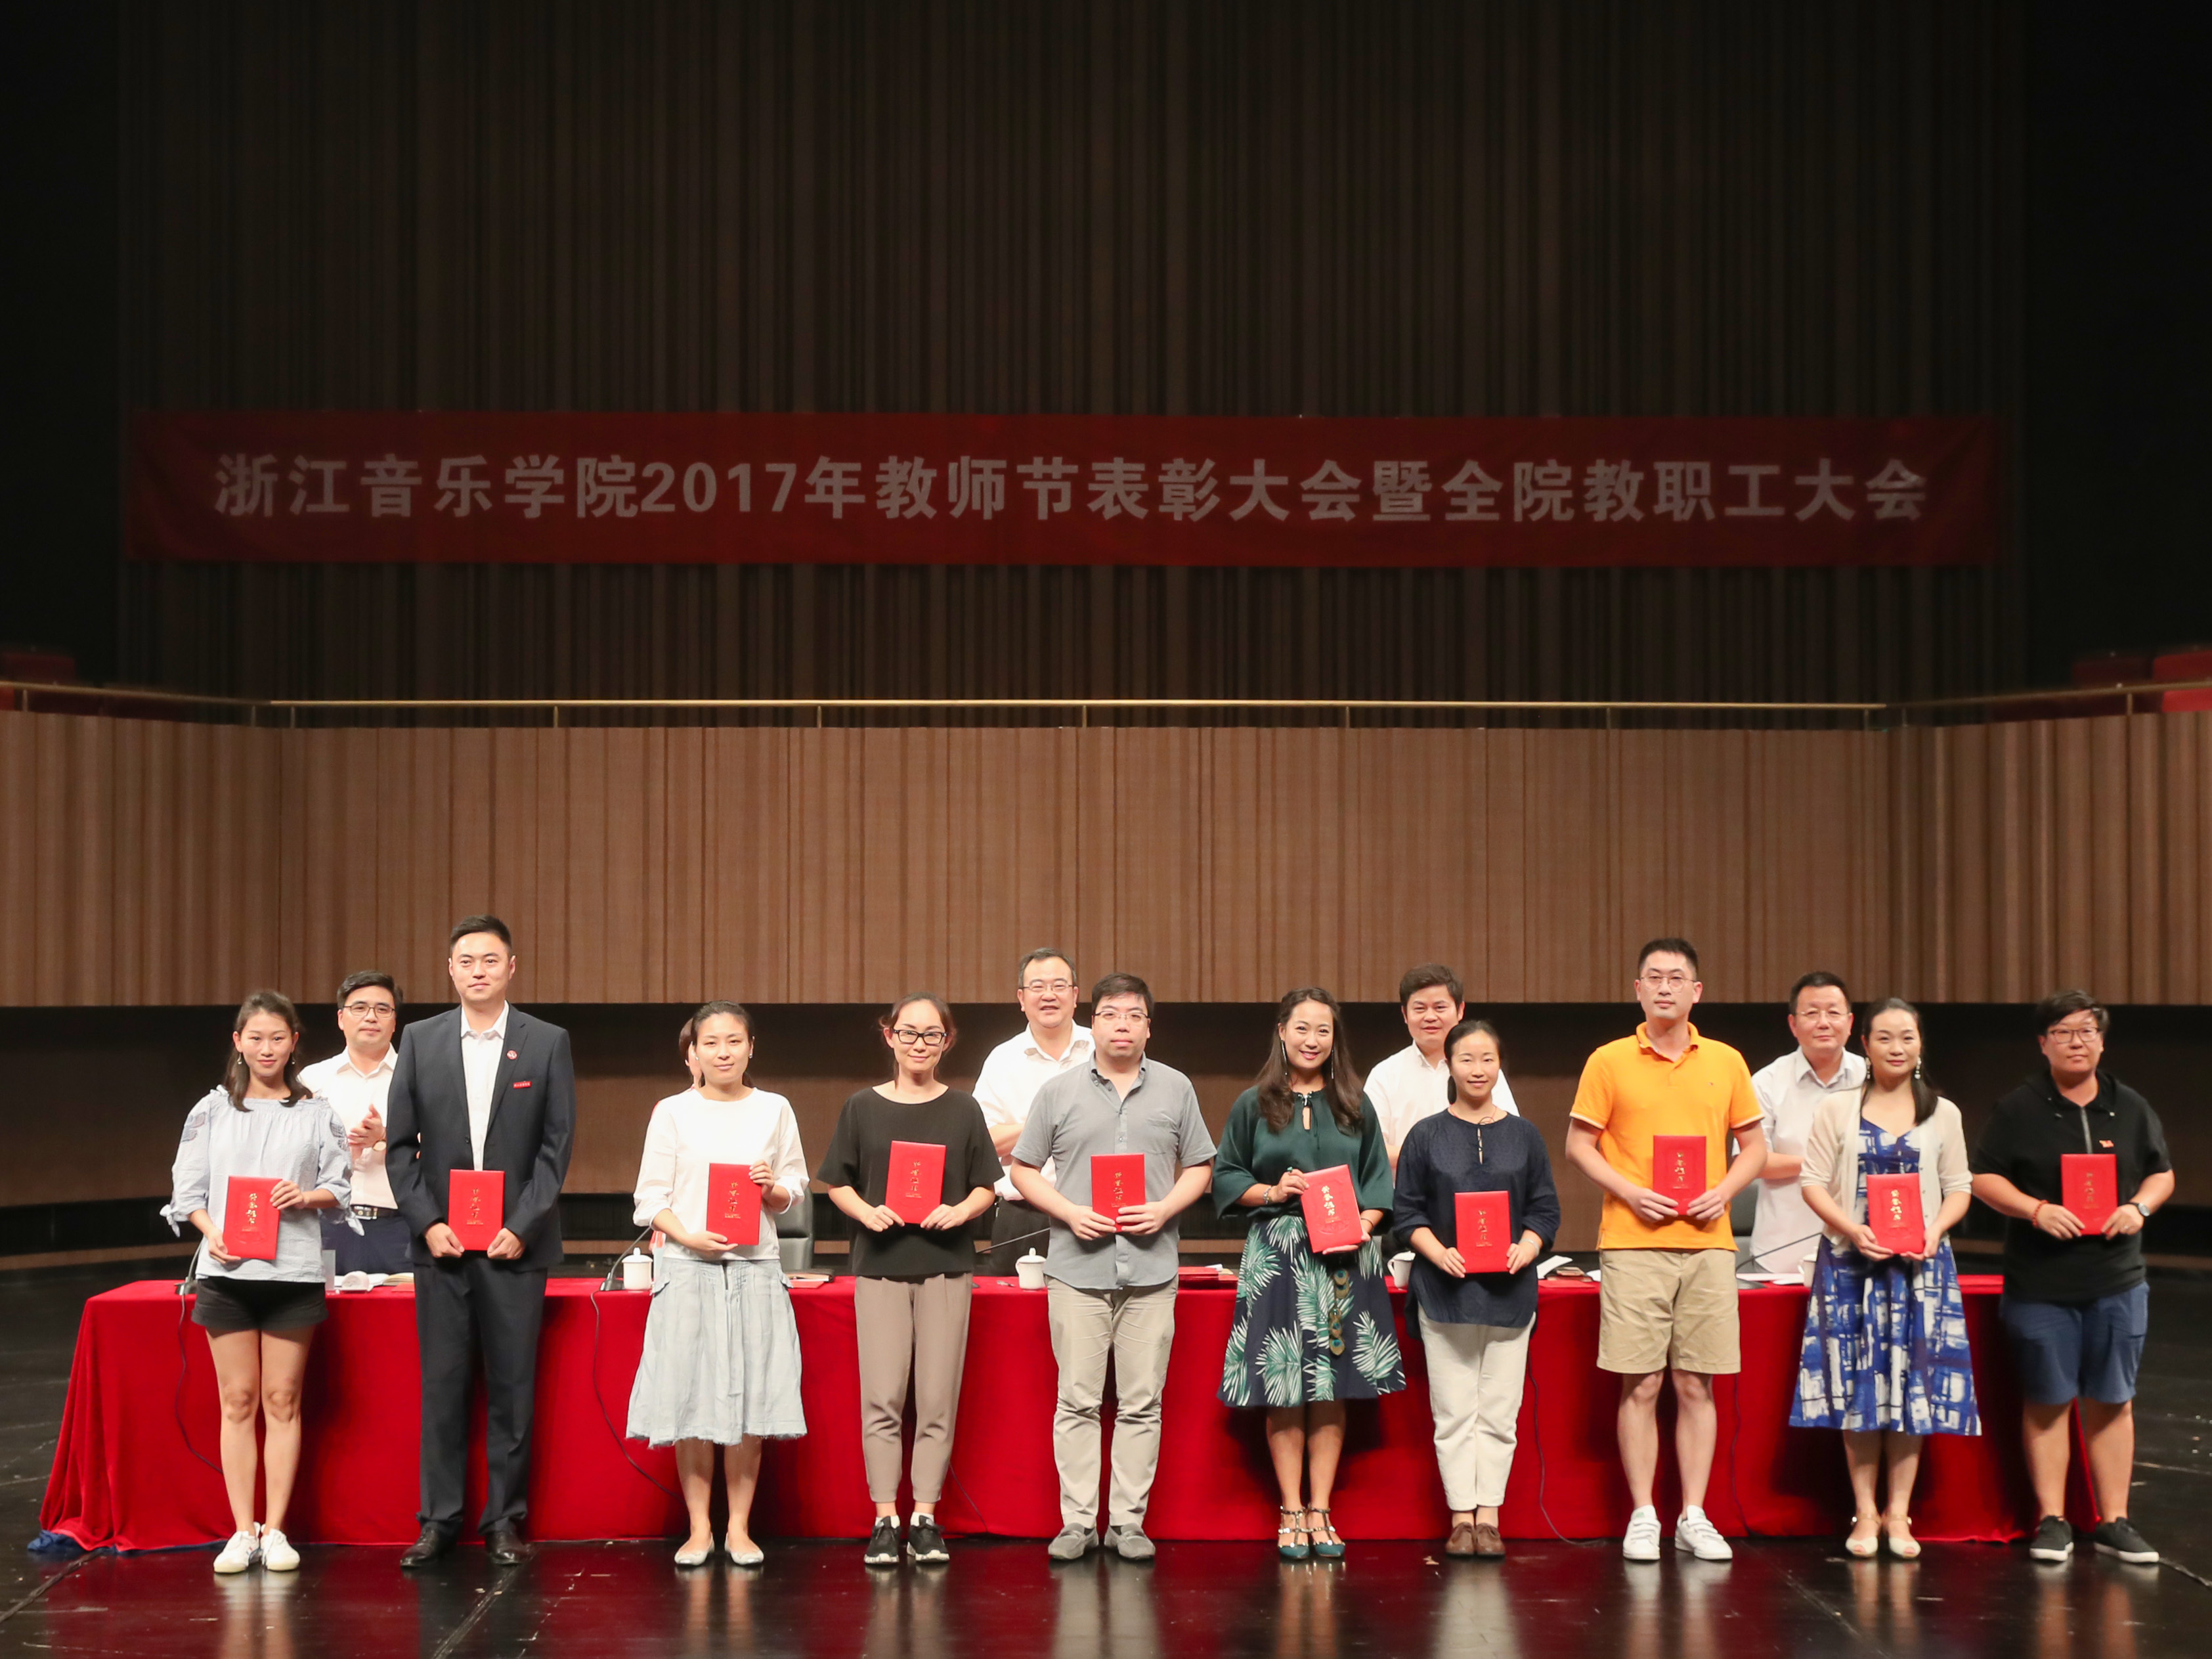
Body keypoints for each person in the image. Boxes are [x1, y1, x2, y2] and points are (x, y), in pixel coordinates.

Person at [1565, 937, 1766, 1563]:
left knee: (1696, 1383)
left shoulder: (1726, 1061)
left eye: (1676, 978)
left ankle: (1694, 1515)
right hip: (1633, 1242)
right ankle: (1643, 1515)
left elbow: (1755, 1148)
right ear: (1637, 989)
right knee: (1643, 1382)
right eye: (1653, 977)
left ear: (1695, 991)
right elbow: (1577, 1146)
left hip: (1708, 1244)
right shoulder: (1608, 1060)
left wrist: (1724, 1192)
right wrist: (1630, 1192)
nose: (1664, 987)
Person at [384, 915, 576, 1569]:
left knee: (512, 1390)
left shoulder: (546, 1042)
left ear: (511, 968)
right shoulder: (420, 1040)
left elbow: (555, 1148)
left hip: (514, 1247)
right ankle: (438, 1521)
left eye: (490, 960)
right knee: (442, 1389)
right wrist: (426, 1221)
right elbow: (399, 1148)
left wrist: (522, 1225)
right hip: (441, 1247)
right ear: (450, 969)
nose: (478, 971)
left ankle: (504, 1520)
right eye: (466, 961)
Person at [1009, 973, 1216, 1562]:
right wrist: (1069, 1212)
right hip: (1077, 1271)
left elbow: (1201, 1167)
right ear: (1092, 1022)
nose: (1121, 1025)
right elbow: (1023, 1169)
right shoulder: (1058, 1092)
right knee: (1075, 1400)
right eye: (1109, 1014)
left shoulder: (1176, 1088)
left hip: (1151, 1271)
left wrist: (1165, 1208)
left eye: (1133, 1015)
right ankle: (1077, 1522)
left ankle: (1128, 1522)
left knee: (1141, 1403)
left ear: (1149, 1027)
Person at [1970, 990, 2175, 1567]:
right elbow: (1982, 1178)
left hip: (2117, 1280)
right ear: (2043, 1044)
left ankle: (2114, 1521)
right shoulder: (2018, 1108)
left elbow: (2161, 1173)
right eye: (2062, 1032)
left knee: (2113, 1400)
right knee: (2047, 1400)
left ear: (2101, 1041)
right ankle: (2052, 1520)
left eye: (2086, 1031)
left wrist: (2138, 1208)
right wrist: (2035, 1209)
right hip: (2040, 1283)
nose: (2075, 1042)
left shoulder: (2129, 1105)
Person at [163, 991, 353, 1574]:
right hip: (227, 1274)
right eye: (255, 1038)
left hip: (292, 1273)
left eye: (277, 1038)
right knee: (238, 1400)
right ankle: (241, 1531)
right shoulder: (211, 1111)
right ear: (238, 1043)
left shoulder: (318, 1113)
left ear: (294, 1043)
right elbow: (187, 1193)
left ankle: (276, 1531)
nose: (266, 1049)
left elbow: (339, 1188)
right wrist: (211, 1231)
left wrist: (306, 1196)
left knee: (282, 1399)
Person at [1213, 986, 1401, 1562]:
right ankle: (1290, 1508)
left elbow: (1377, 1180)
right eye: (1302, 1028)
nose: (1312, 1040)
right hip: (1279, 1252)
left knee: (1332, 1383)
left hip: (1346, 1254)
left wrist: (1364, 1223)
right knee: (1285, 1381)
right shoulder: (1253, 1103)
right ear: (1281, 1031)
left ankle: (1320, 1508)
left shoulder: (1355, 1104)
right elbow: (1226, 1176)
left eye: (1323, 1030)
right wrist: (1272, 1191)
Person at [1790, 998, 1978, 1559]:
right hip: (1851, 1265)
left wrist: (1935, 1230)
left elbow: (1959, 1187)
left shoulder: (1942, 1113)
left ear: (1920, 1044)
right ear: (1865, 1045)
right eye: (1884, 1038)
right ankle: (1864, 1512)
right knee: (1859, 1387)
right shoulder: (1837, 1109)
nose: (1897, 1048)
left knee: (1911, 1386)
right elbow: (1812, 1182)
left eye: (1907, 1038)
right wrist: (1851, 1227)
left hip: (1920, 1269)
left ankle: (1898, 1513)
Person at [817, 994, 1000, 1568]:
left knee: (937, 1398)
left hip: (946, 1265)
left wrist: (962, 1211)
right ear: (889, 1036)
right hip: (880, 1266)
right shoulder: (861, 1106)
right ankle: (883, 1518)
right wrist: (865, 1212)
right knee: (883, 1398)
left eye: (931, 1035)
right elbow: (837, 1182)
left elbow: (986, 1184)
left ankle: (924, 1517)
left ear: (947, 1042)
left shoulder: (964, 1108)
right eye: (909, 1033)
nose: (919, 1044)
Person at [628, 1002, 809, 1566]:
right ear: (694, 1052)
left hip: (755, 1268)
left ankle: (739, 1528)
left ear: (751, 1047)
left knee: (751, 1399)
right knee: (692, 1401)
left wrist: (771, 1188)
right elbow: (649, 1199)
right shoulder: (672, 1112)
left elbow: (794, 1188)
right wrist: (687, 1236)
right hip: (688, 1268)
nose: (723, 1052)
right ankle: (699, 1528)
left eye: (734, 1041)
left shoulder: (774, 1108)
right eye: (711, 1042)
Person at [1393, 1019, 1559, 1559]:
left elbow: (1544, 1209)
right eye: (1466, 1059)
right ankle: (1460, 1516)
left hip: (1510, 1294)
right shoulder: (1425, 1135)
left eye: (1487, 1059)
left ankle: (1489, 1517)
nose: (1477, 1069)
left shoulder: (1525, 1135)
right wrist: (1436, 1251)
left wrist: (1528, 1246)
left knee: (1499, 1413)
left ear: (1499, 1064)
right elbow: (1406, 1213)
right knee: (1454, 1412)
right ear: (1449, 1065)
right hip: (1444, 1293)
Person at [974, 948, 1093, 1273]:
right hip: (1022, 1217)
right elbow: (983, 1142)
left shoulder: (1101, 1049)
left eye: (1059, 986)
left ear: (1075, 996)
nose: (1048, 995)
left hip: (1094, 1213)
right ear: (1022, 999)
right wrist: (1045, 1125)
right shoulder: (1002, 1059)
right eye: (1037, 987)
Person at [1748, 973, 1868, 1275]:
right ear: (1793, 1025)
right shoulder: (1766, 1082)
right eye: (1812, 1013)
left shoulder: (1873, 1079)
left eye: (1833, 1013)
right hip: (1781, 1252)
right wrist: (1820, 1165)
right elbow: (1753, 1161)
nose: (1823, 1023)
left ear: (1850, 1023)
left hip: (1863, 1247)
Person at [301, 971, 411, 1275]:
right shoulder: (312, 1079)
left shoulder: (419, 1077)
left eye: (382, 1009)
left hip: (400, 1228)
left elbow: (444, 1148)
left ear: (394, 1022)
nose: (371, 1017)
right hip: (327, 1225)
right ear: (341, 1018)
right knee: (326, 1305)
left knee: (402, 1306)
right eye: (359, 1008)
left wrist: (386, 1136)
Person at [1364, 965, 1519, 1169]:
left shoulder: (1481, 1071)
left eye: (1440, 1007)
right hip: (1406, 1188)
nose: (1430, 1017)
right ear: (1405, 1014)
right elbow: (1371, 1149)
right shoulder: (1384, 1075)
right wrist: (1431, 1153)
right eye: (1420, 1008)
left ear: (1460, 1010)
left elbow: (1510, 1137)